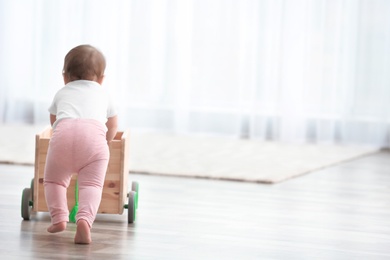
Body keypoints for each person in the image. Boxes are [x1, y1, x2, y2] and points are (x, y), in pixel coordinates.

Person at [44, 44, 118, 244]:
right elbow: (112, 125)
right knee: (92, 185)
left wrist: (60, 137)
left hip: (63, 138)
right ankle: (84, 220)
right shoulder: (104, 94)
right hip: (93, 141)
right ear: (101, 79)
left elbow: (54, 120)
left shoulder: (62, 92)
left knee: (54, 182)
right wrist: (107, 142)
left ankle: (59, 218)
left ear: (65, 76)